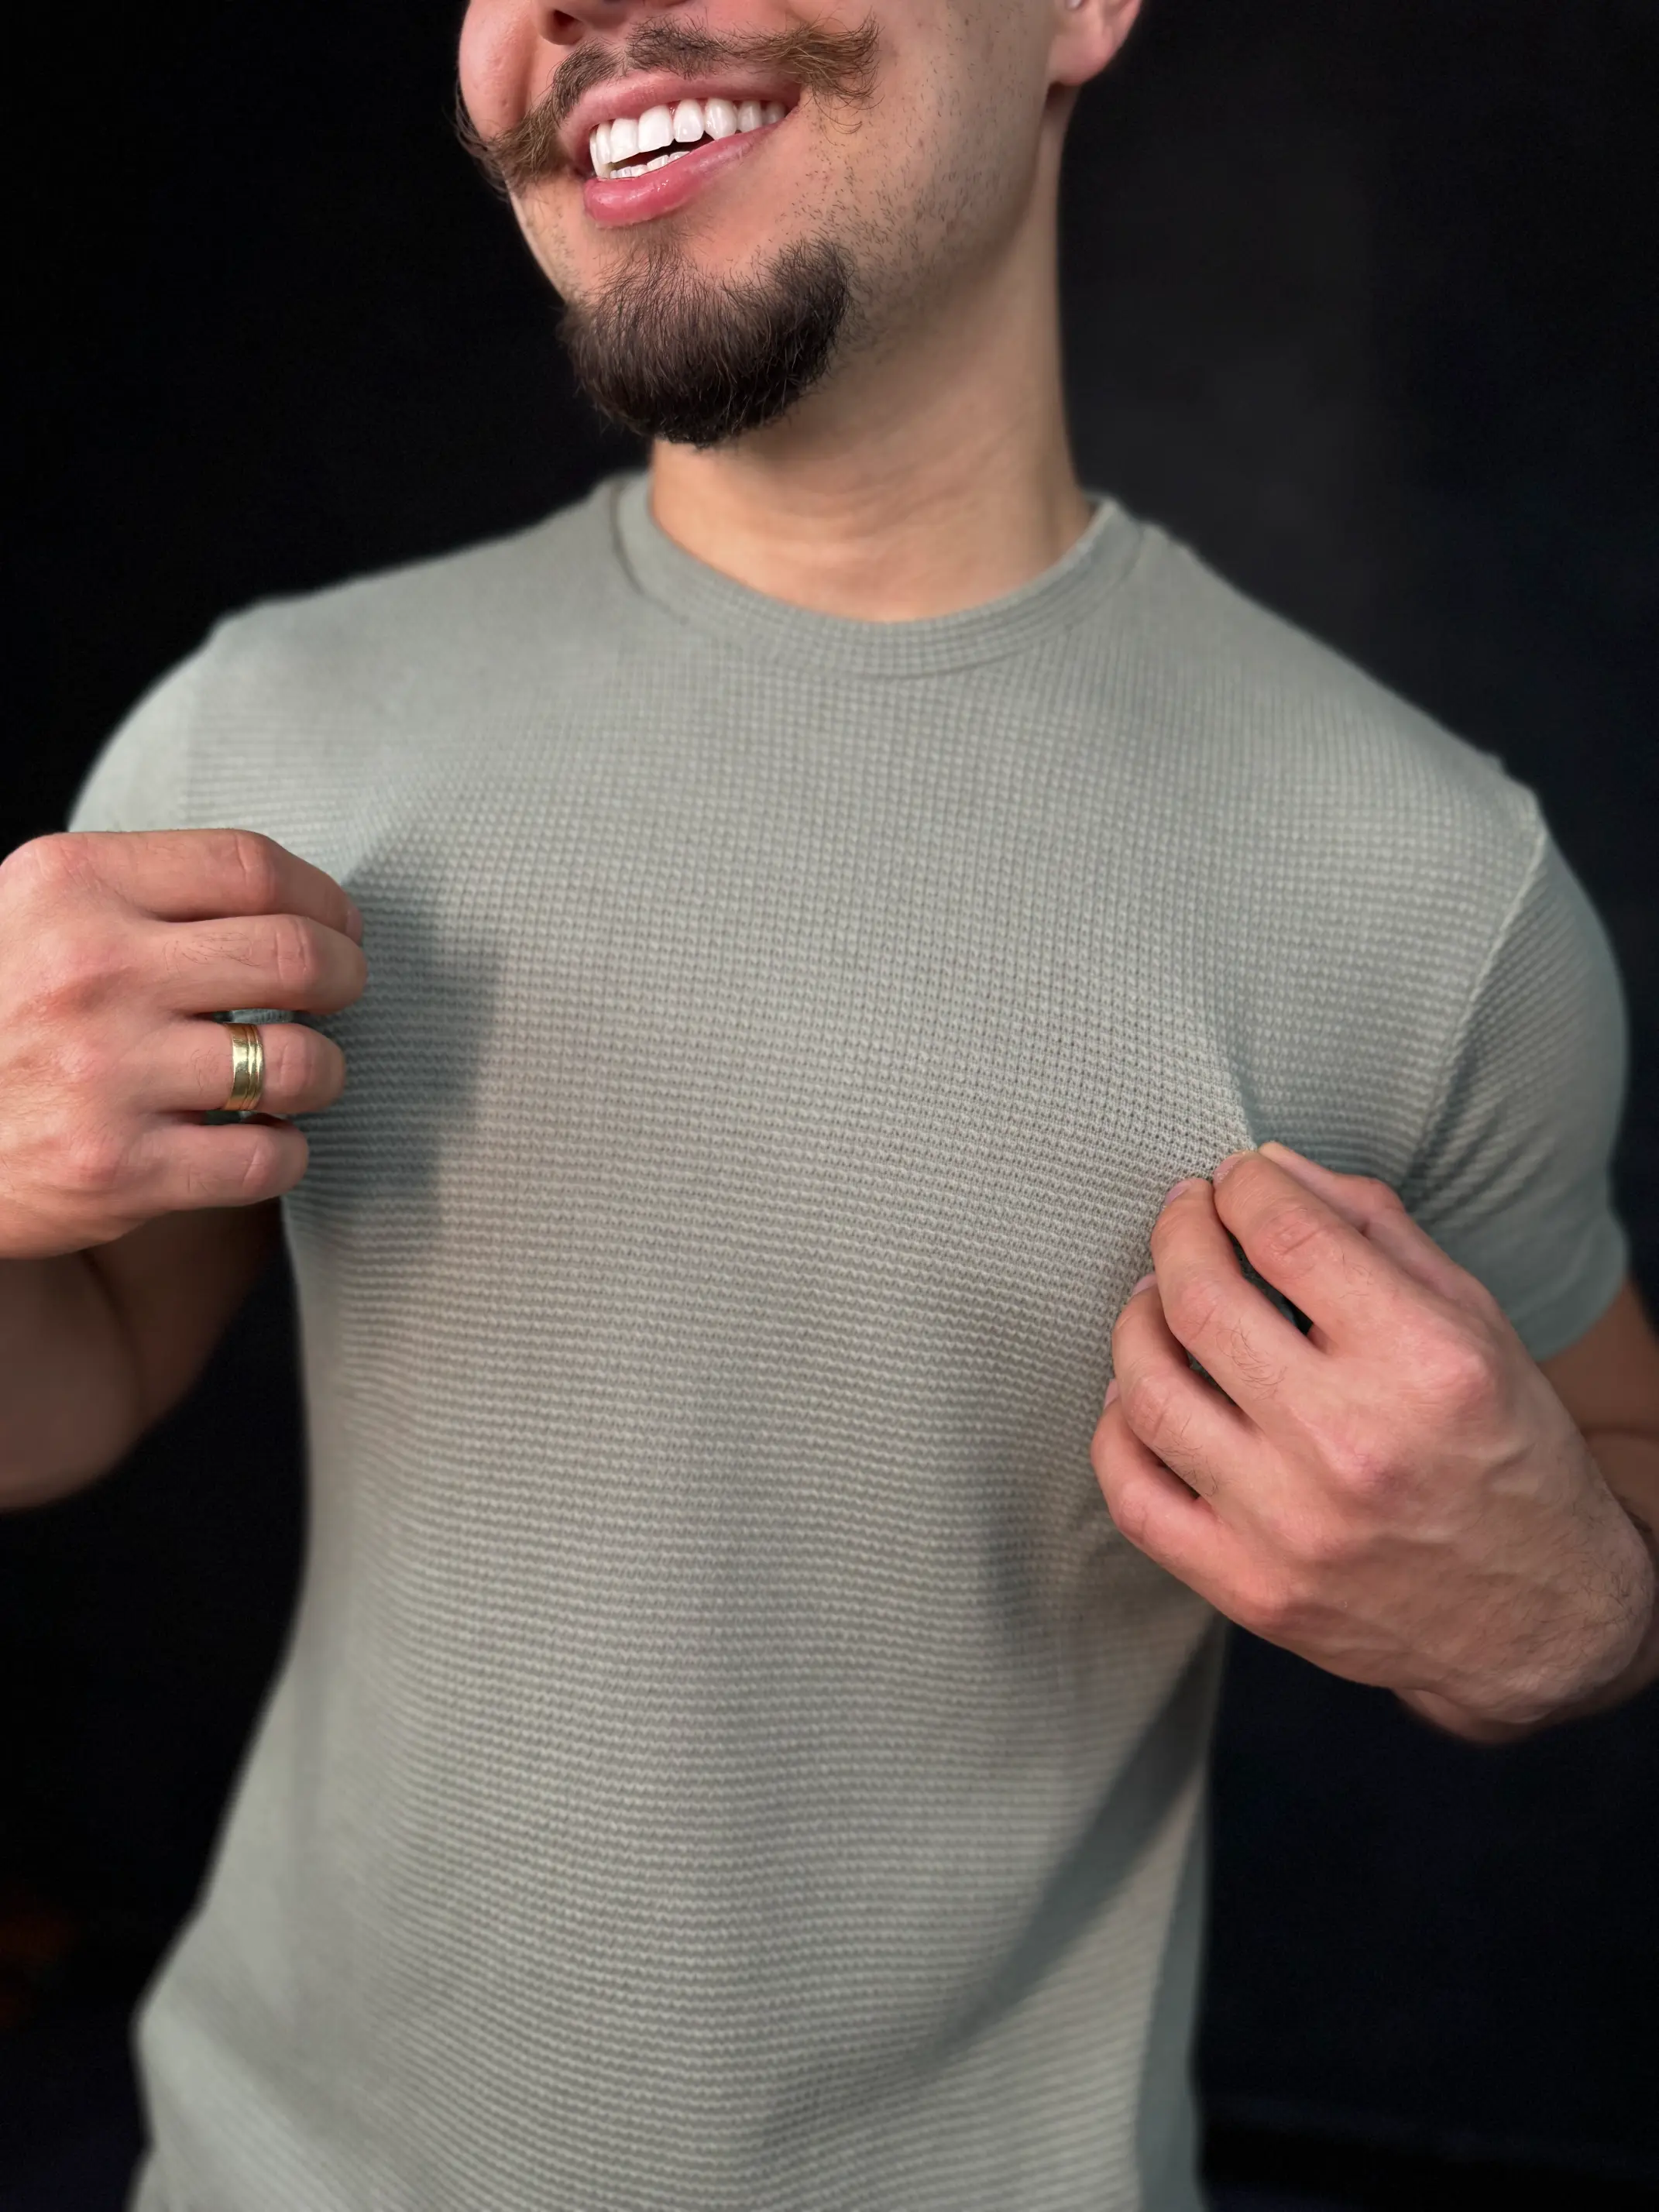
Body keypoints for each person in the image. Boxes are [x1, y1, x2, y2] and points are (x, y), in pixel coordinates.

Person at [2, 1, 1656, 2205]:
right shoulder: (263, 737)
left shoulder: (1426, 889)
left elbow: (1615, 1484)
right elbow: (79, 1372)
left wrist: (1583, 1612)